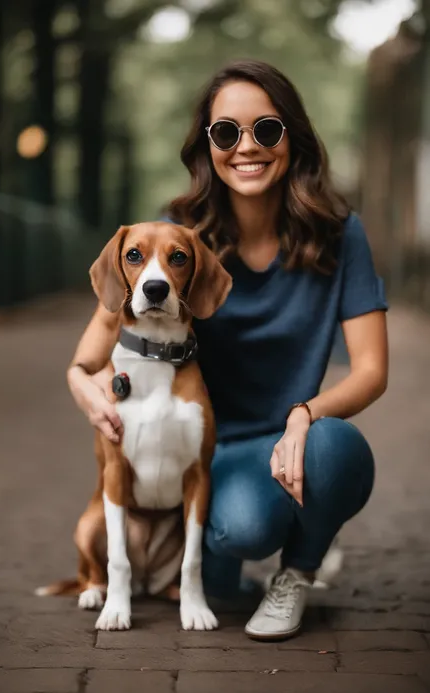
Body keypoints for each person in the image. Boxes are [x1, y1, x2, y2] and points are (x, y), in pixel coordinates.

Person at [68, 59, 388, 641]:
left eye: (266, 130)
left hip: (295, 437)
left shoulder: (341, 233)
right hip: (210, 454)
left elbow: (370, 370)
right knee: (238, 535)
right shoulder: (176, 234)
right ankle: (233, 553)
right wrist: (83, 384)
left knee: (339, 448)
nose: (247, 147)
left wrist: (304, 416)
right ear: (207, 144)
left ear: (292, 137)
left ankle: (301, 566)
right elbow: (90, 352)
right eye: (226, 132)